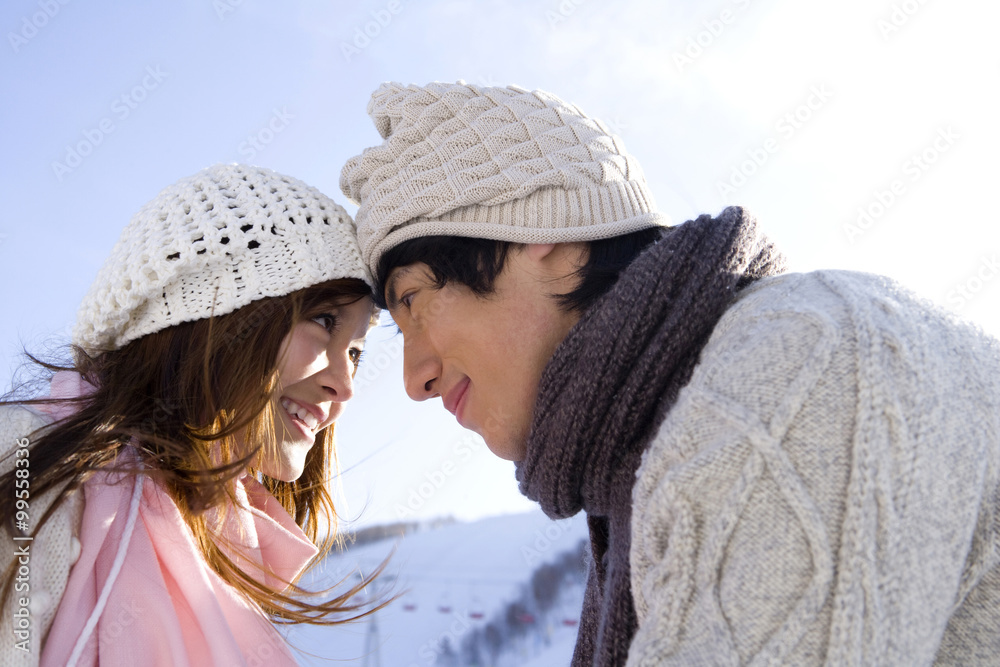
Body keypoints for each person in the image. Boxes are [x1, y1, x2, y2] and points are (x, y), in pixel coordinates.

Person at [339, 81, 1000, 665]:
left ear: (541, 230)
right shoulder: (647, 457)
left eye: (414, 302)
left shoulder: (790, 371)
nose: (413, 378)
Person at [0, 164, 383, 666]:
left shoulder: (227, 548)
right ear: (215, 315)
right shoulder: (30, 455)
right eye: (324, 320)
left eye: (356, 350)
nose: (346, 384)